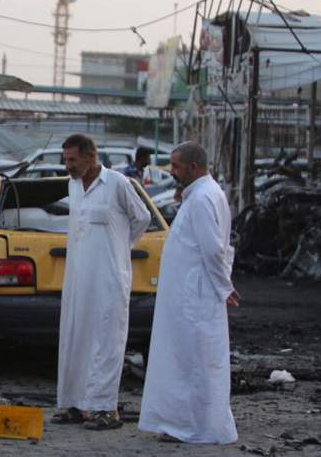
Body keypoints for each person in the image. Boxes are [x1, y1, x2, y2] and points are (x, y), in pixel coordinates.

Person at [138, 142, 239, 444]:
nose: (171, 171)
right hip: (189, 296)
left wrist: (225, 287)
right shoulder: (200, 195)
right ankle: (185, 423)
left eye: (176, 166)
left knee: (193, 362)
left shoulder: (203, 198)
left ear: (193, 168)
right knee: (186, 360)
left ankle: (194, 427)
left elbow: (214, 250)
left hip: (194, 298)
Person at [54, 134, 151, 430]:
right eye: (66, 160)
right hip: (78, 278)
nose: (68, 165)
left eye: (73, 159)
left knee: (106, 341)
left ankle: (105, 409)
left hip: (108, 278)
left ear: (90, 157)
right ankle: (73, 404)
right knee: (75, 339)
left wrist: (120, 248)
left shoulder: (118, 184)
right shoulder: (73, 185)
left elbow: (142, 218)